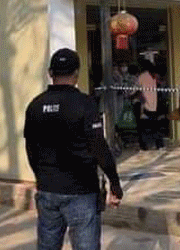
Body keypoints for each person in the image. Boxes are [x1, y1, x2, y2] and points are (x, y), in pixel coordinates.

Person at [24, 48, 123, 250]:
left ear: (50, 73)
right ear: (76, 74)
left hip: (47, 190)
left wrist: (42, 176)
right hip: (81, 191)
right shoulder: (85, 104)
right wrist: (115, 183)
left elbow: (30, 149)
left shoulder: (35, 106)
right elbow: (99, 147)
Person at [132, 59, 162, 150]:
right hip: (154, 105)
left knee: (141, 127)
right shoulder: (155, 76)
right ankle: (159, 144)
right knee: (155, 125)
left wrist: (131, 95)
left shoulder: (142, 76)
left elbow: (135, 89)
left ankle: (144, 146)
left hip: (143, 105)